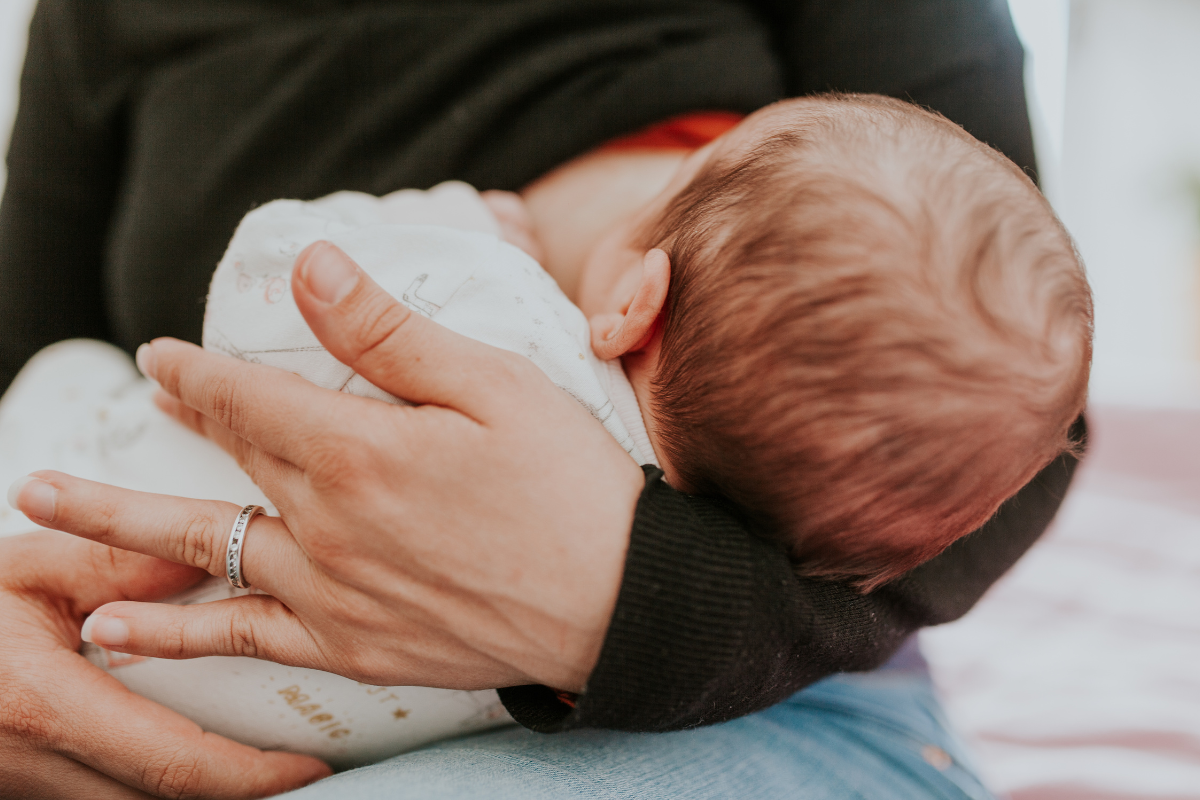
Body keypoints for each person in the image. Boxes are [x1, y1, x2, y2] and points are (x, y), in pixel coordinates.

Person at [0, 1, 1086, 797]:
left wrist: (619, 597)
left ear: (628, 303)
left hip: (752, 696)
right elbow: (22, 349)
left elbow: (1010, 420)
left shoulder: (466, 274)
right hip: (132, 658)